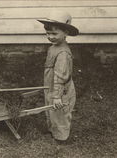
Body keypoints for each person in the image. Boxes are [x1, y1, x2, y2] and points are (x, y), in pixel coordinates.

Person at [37, 11, 79, 141]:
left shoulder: (63, 53)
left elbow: (61, 76)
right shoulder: (53, 47)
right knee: (51, 110)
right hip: (51, 85)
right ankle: (53, 131)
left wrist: (57, 96)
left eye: (54, 33)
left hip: (60, 89)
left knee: (60, 112)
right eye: (48, 33)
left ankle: (61, 138)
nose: (51, 37)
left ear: (65, 33)